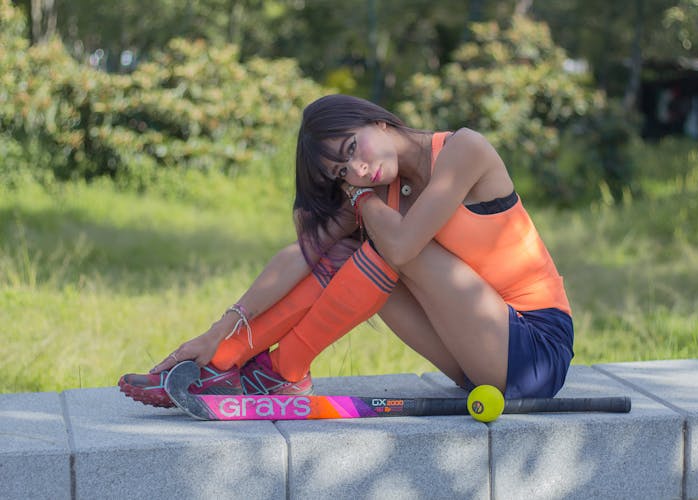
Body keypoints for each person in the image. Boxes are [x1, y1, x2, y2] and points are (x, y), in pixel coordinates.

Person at [119, 94, 573, 407]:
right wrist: (216, 334)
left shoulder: (463, 150)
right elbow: (302, 254)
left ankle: (283, 367)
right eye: (342, 172)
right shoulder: (377, 195)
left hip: (535, 350)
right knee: (345, 254)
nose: (358, 169)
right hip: (472, 364)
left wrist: (358, 199)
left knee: (388, 246)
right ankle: (226, 362)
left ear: (377, 120)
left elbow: (401, 245)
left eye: (353, 147)